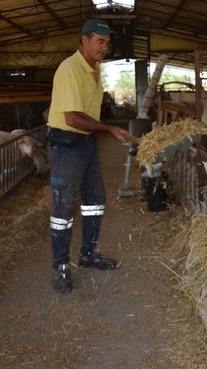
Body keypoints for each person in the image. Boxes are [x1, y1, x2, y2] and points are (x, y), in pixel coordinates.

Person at [46, 19, 129, 293]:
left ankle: (88, 254)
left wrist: (100, 130)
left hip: (85, 142)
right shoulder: (70, 68)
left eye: (107, 43)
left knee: (94, 200)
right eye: (99, 42)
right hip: (66, 143)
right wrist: (108, 128)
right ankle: (61, 266)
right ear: (84, 40)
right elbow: (72, 116)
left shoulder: (95, 69)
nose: (104, 47)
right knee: (63, 208)